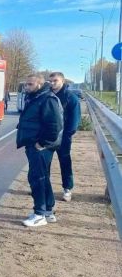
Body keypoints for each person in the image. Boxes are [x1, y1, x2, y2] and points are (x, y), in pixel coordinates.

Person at [17, 74, 63, 227]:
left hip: (41, 147)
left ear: (39, 84)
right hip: (34, 145)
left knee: (37, 179)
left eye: (30, 84)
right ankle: (48, 212)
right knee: (43, 178)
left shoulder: (47, 99)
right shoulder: (36, 97)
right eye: (26, 84)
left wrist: (41, 143)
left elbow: (55, 126)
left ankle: (39, 214)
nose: (26, 87)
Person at [48, 72, 80, 202]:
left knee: (65, 162)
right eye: (50, 81)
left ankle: (67, 189)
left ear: (63, 81)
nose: (52, 83)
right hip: (46, 137)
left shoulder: (71, 98)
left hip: (63, 138)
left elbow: (74, 121)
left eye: (55, 81)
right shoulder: (46, 95)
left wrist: (66, 135)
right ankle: (43, 187)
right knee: (44, 164)